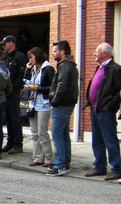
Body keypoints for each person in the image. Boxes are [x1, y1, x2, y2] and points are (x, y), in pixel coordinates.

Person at [84, 42, 121, 180]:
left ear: (105, 53)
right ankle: (99, 166)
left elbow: (119, 92)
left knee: (110, 139)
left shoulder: (115, 69)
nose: (94, 54)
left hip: (105, 110)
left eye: (96, 51)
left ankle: (117, 168)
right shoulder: (100, 68)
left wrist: (109, 105)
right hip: (95, 108)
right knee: (97, 140)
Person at [47, 40, 79, 176]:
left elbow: (62, 86)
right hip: (67, 103)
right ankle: (65, 162)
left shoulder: (65, 66)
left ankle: (60, 165)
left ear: (62, 52)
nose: (53, 54)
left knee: (57, 135)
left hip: (61, 105)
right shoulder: (70, 65)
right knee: (64, 135)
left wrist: (54, 102)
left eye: (55, 51)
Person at [24, 47, 54, 168]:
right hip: (33, 103)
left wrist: (38, 89)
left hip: (44, 103)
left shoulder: (48, 69)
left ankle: (49, 157)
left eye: (31, 57)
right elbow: (25, 81)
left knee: (42, 132)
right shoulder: (34, 69)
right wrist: (27, 69)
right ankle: (37, 157)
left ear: (37, 56)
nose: (30, 59)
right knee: (34, 132)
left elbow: (52, 86)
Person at [0, 35, 28, 154]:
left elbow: (21, 77)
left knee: (15, 118)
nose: (3, 46)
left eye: (5, 44)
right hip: (7, 91)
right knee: (8, 118)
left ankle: (18, 144)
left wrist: (11, 88)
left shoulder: (20, 57)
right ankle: (10, 142)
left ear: (11, 43)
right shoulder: (8, 57)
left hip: (14, 91)